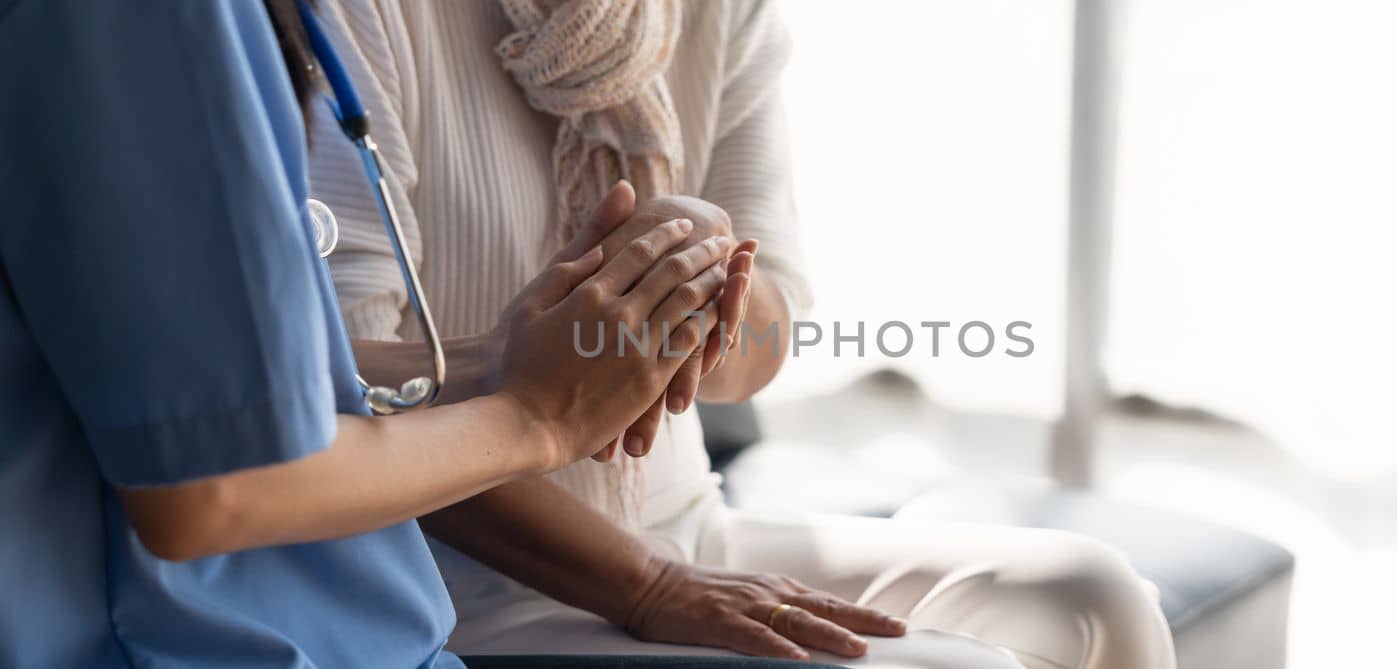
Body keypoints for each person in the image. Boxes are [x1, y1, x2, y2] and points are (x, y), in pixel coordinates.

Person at [306, 1, 1178, 668]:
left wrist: (697, 268)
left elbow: (760, 349)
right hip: (468, 584)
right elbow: (350, 392)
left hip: (692, 527)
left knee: (1102, 599)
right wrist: (648, 585)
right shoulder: (361, 18)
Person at [0, 2, 830, 668]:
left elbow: (273, 371)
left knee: (957, 604)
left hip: (380, 609)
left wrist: (675, 292)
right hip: (355, 610)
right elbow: (221, 475)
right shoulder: (171, 24)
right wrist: (536, 418)